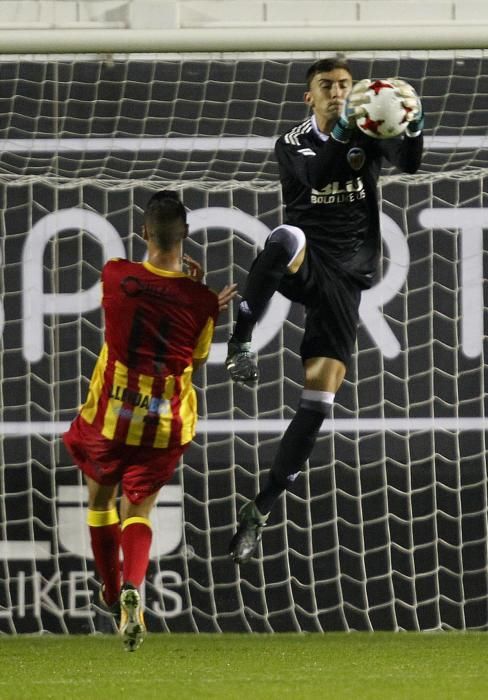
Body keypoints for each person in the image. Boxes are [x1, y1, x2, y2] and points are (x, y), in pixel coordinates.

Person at [226, 57, 424, 564]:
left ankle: (259, 510)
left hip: (347, 282)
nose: (338, 92)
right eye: (326, 86)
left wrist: (412, 125)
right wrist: (343, 131)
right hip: (307, 263)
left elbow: (410, 163)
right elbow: (316, 178)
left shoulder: (366, 132)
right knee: (285, 235)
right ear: (308, 97)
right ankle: (240, 341)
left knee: (317, 406)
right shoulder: (293, 143)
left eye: (344, 85)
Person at [63, 192, 236, 650]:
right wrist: (201, 300)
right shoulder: (202, 303)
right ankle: (135, 586)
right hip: (163, 423)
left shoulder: (116, 274)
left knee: (101, 505)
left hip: (111, 417)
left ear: (144, 233)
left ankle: (111, 588)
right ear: (187, 236)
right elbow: (193, 367)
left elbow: (145, 297)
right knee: (139, 510)